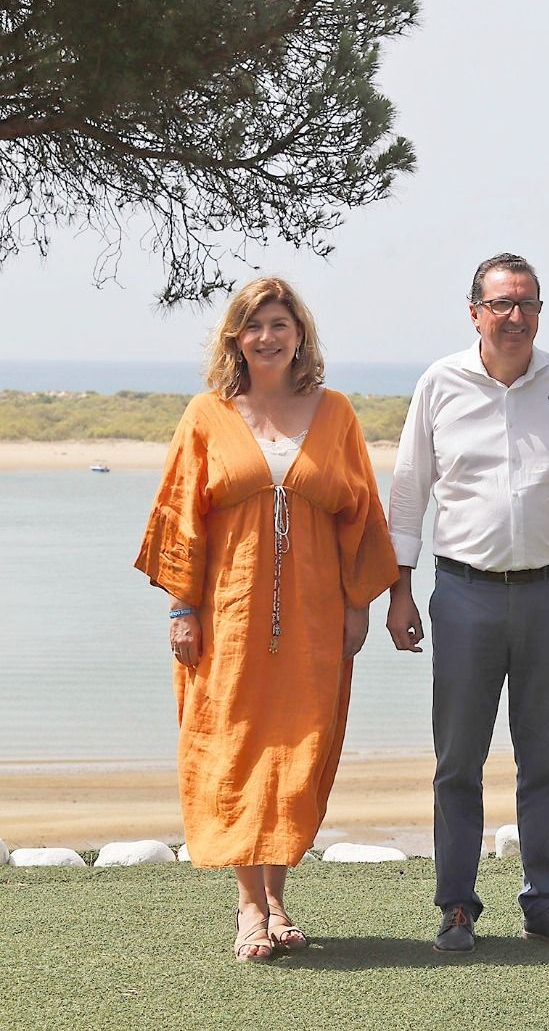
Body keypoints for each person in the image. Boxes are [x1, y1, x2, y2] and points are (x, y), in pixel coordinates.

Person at [135, 277, 398, 963]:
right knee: (234, 749)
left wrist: (358, 606)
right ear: (236, 339)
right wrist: (181, 608)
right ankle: (250, 905)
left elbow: (362, 515)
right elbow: (179, 515)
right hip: (227, 617)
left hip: (314, 618)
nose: (269, 337)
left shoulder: (335, 412)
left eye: (281, 324)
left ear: (300, 335)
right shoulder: (207, 413)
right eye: (255, 327)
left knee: (296, 753)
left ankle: (279, 899)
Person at [386, 253, 549, 954]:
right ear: (475, 312)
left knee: (544, 758)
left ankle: (544, 901)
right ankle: (457, 906)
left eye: (527, 304)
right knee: (457, 760)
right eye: (501, 304)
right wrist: (398, 591)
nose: (514, 316)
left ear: (539, 312)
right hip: (463, 595)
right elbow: (407, 493)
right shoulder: (440, 384)